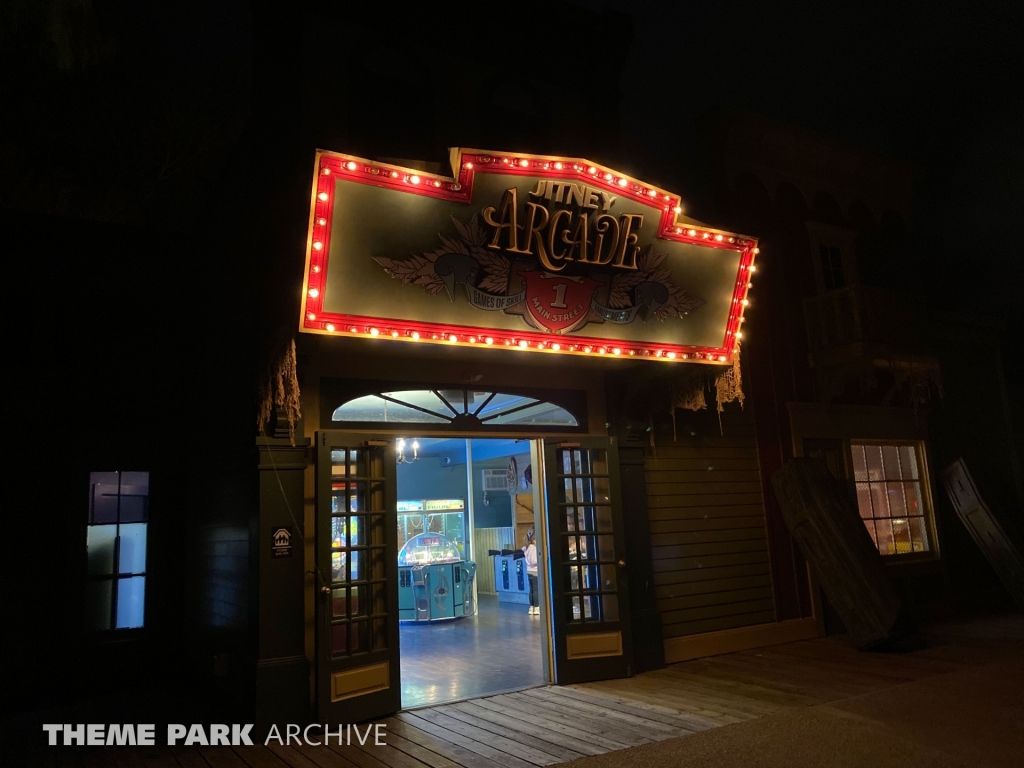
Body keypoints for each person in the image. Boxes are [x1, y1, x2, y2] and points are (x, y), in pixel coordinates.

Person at [522, 530, 539, 616]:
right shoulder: (533, 548)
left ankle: (531, 607)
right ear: (533, 539)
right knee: (536, 590)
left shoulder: (526, 548)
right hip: (535, 571)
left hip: (529, 571)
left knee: (531, 590)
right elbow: (533, 561)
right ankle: (536, 607)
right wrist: (540, 559)